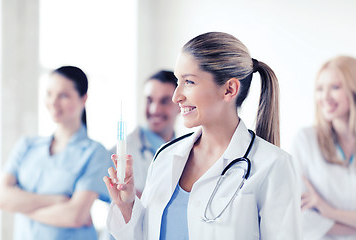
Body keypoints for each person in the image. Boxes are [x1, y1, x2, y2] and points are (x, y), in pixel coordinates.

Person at [103, 32, 301, 239]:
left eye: (189, 82)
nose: (176, 96)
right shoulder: (165, 156)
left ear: (229, 89)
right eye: (178, 81)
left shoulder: (273, 165)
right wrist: (126, 206)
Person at [0, 66, 111, 240]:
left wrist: (19, 205)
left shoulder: (95, 153)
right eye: (49, 94)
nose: (53, 102)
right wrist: (57, 201)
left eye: (63, 95)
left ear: (84, 98)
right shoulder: (27, 146)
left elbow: (75, 216)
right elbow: (1, 197)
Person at [290, 56, 356, 240]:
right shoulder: (305, 140)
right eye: (320, 89)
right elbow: (300, 215)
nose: (325, 97)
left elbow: (319, 214)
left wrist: (329, 211)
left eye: (335, 87)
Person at [109, 70, 180, 197]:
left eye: (164, 101)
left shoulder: (188, 151)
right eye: (149, 100)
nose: (154, 109)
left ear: (180, 105)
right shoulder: (118, 154)